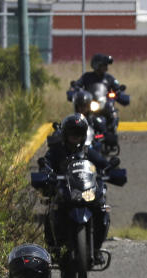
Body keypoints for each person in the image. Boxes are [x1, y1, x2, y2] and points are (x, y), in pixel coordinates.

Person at [39, 113, 112, 264]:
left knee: (102, 209)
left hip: (86, 191)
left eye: (79, 133)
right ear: (65, 134)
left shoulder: (87, 152)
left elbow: (103, 163)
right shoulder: (56, 151)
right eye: (72, 132)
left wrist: (110, 169)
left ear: (84, 135)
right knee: (52, 210)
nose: (75, 136)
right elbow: (46, 163)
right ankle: (55, 248)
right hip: (64, 192)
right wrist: (46, 172)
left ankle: (97, 248)